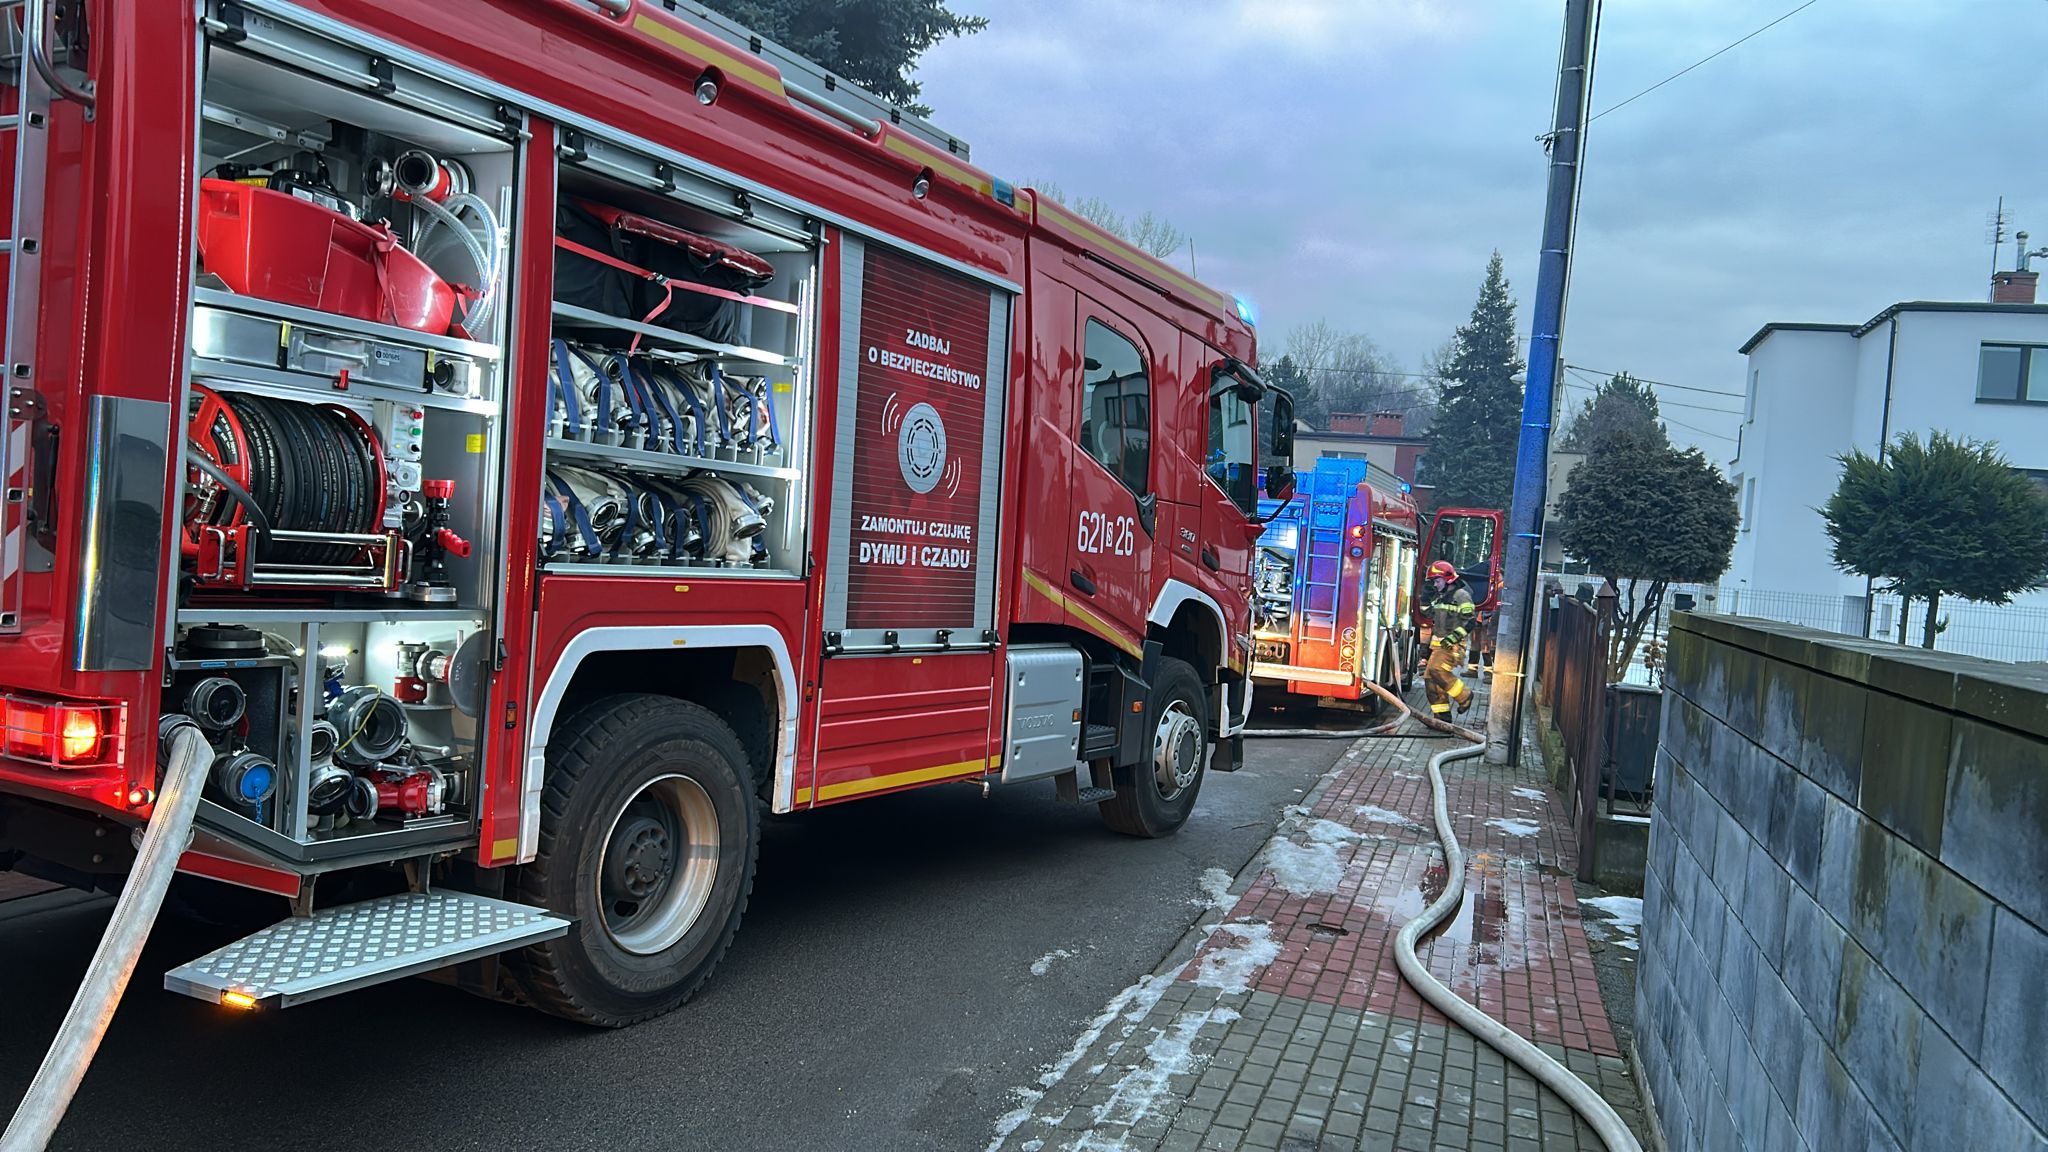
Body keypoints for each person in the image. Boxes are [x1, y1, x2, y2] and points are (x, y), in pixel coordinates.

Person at [1421, 560, 1476, 717]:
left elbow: (1470, 621)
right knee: (1430, 678)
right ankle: (1442, 715)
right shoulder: (1441, 597)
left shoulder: (1461, 596)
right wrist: (1425, 598)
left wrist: (1453, 638)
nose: (1435, 585)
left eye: (1437, 581)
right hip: (1439, 646)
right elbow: (1428, 614)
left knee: (1436, 670)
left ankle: (1465, 695)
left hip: (1453, 645)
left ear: (1448, 579)